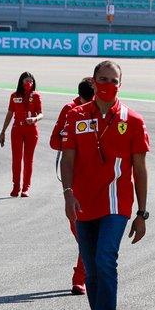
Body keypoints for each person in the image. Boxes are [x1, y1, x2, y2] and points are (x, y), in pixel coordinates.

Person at [59, 60, 150, 310]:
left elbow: (140, 168)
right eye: (102, 79)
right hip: (83, 203)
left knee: (105, 259)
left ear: (120, 85)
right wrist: (68, 194)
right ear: (93, 81)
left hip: (116, 204)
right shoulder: (75, 116)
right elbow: (68, 160)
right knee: (92, 272)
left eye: (113, 80)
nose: (107, 84)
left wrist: (141, 212)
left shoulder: (132, 120)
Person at [51, 77, 95, 294]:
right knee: (79, 229)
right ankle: (86, 270)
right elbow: (53, 141)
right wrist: (72, 145)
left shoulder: (104, 109)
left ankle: (80, 277)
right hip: (74, 178)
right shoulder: (69, 110)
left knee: (90, 231)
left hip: (97, 178)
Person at [0, 71, 43, 197]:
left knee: (28, 160)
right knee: (16, 159)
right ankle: (16, 186)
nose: (29, 83)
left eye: (31, 81)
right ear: (21, 82)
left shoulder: (36, 96)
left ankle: (25, 187)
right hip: (17, 129)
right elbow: (9, 113)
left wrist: (34, 119)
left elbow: (41, 113)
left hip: (31, 130)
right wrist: (3, 131)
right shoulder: (14, 96)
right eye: (26, 81)